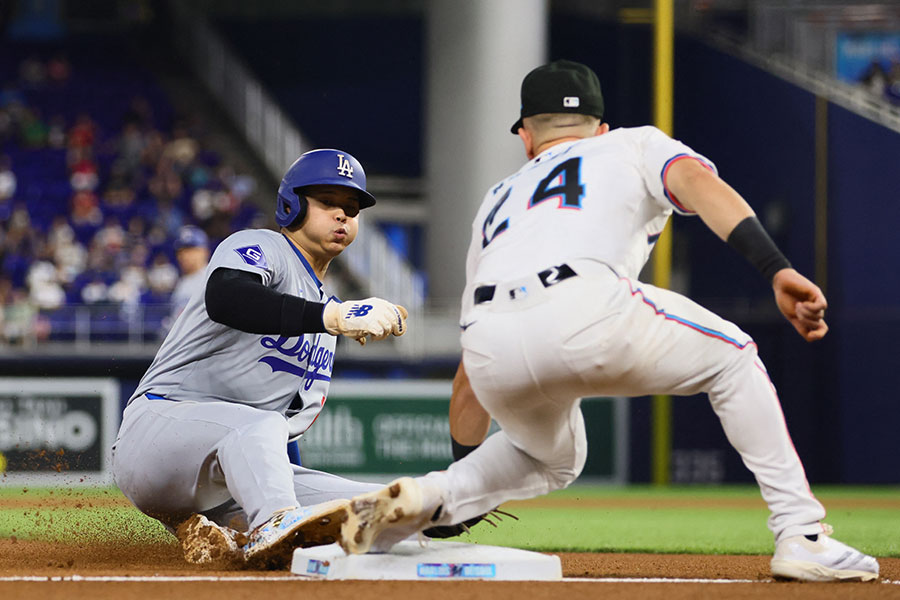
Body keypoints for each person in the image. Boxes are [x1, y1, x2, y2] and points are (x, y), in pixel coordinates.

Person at [336, 60, 880, 583]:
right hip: (583, 302)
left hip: (491, 340)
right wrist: (774, 267)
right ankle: (802, 535)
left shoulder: (496, 202)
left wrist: (468, 472)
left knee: (550, 456)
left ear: (526, 136)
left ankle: (432, 497)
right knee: (734, 358)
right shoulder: (632, 142)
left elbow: (466, 378)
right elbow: (697, 184)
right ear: (601, 126)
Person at [111, 149, 408, 569]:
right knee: (260, 428)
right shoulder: (261, 246)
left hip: (221, 483)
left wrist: (428, 509)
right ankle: (274, 525)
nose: (343, 215)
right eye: (327, 202)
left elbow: (279, 434)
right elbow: (227, 297)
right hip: (157, 434)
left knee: (373, 500)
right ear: (293, 205)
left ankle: (231, 532)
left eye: (352, 207)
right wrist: (333, 316)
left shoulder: (328, 320)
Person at [169, 225, 210, 321]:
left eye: (189, 250)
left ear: (204, 251)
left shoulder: (211, 279)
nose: (184, 256)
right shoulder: (181, 282)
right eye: (180, 251)